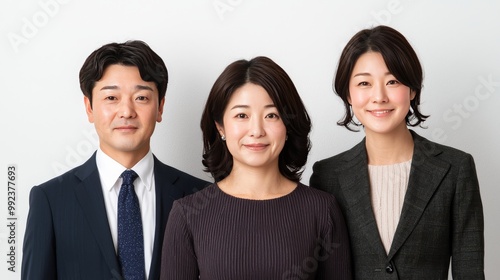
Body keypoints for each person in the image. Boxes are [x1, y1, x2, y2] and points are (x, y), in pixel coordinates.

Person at [21, 40, 209, 280]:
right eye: (111, 98)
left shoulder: (199, 196)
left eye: (141, 98)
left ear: (160, 107)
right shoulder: (51, 201)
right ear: (89, 107)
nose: (126, 111)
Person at [310, 25, 484, 279]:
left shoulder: (455, 169)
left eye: (392, 81)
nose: (379, 96)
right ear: (348, 93)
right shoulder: (327, 176)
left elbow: (469, 271)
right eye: (364, 83)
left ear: (412, 90)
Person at [160, 56, 352, 279]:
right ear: (220, 126)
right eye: (242, 115)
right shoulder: (187, 215)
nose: (256, 130)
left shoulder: (322, 210)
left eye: (271, 115)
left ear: (287, 125)